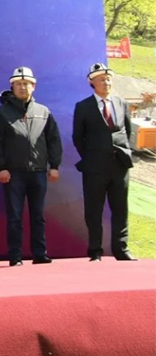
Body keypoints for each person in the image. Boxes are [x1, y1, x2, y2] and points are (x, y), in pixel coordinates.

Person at [0, 67, 62, 266]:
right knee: (14, 217)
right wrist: (1, 167)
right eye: (18, 84)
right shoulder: (2, 112)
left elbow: (54, 140)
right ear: (12, 86)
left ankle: (40, 253)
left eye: (26, 83)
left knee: (38, 216)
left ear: (33, 86)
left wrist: (54, 165)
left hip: (38, 172)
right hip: (13, 174)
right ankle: (15, 256)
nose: (22, 87)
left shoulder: (43, 112)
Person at [72, 63, 136, 261]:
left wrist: (121, 152)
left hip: (119, 165)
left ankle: (121, 249)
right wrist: (92, 156)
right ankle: (95, 251)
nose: (106, 82)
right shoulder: (83, 107)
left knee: (120, 208)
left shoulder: (121, 103)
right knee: (94, 210)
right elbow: (78, 137)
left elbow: (126, 131)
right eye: (101, 79)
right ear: (92, 82)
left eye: (108, 79)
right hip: (95, 168)